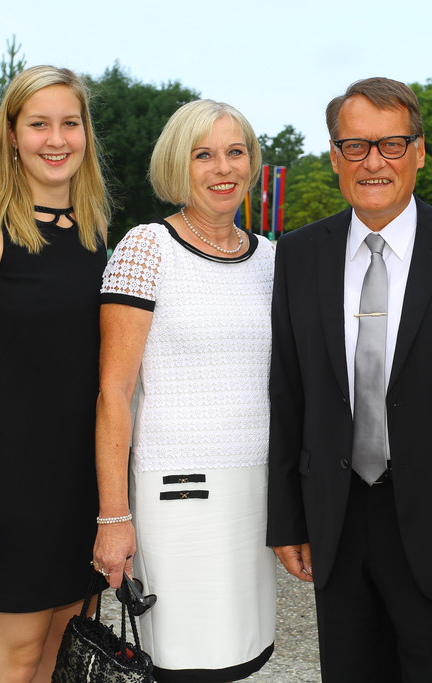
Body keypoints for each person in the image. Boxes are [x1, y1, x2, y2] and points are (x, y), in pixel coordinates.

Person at [267, 77, 432, 682]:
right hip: (336, 518)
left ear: (419, 151)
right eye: (355, 146)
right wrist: (288, 519)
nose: (374, 162)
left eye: (391, 144)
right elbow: (288, 391)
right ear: (335, 157)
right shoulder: (298, 255)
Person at [0, 65, 110, 681]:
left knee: (64, 654)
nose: (56, 139)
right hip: (14, 486)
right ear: (11, 135)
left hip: (85, 482)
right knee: (13, 657)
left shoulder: (96, 232)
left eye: (70, 123)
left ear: (86, 134)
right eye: (38, 124)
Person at [92, 99, 276, 682]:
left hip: (255, 492)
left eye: (235, 152)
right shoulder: (146, 248)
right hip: (178, 495)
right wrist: (113, 516)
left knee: (238, 658)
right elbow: (113, 392)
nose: (223, 168)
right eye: (204, 155)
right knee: (179, 662)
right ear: (178, 163)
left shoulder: (271, 259)